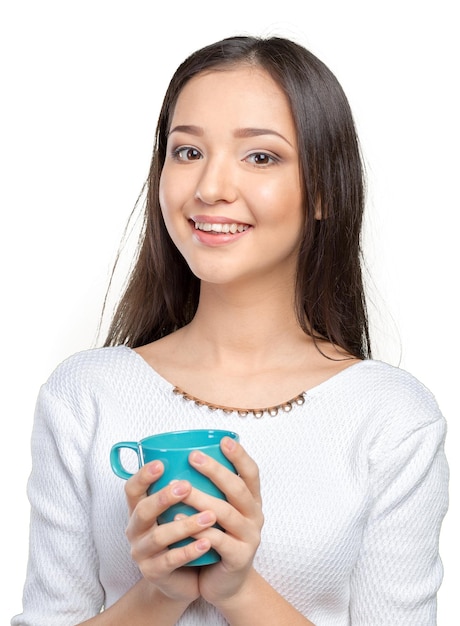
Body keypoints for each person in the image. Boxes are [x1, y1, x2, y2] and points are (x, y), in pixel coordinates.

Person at [12, 35, 448, 626]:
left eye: (260, 157)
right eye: (187, 152)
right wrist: (158, 594)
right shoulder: (83, 396)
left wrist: (239, 591)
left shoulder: (393, 418)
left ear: (322, 189)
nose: (210, 187)